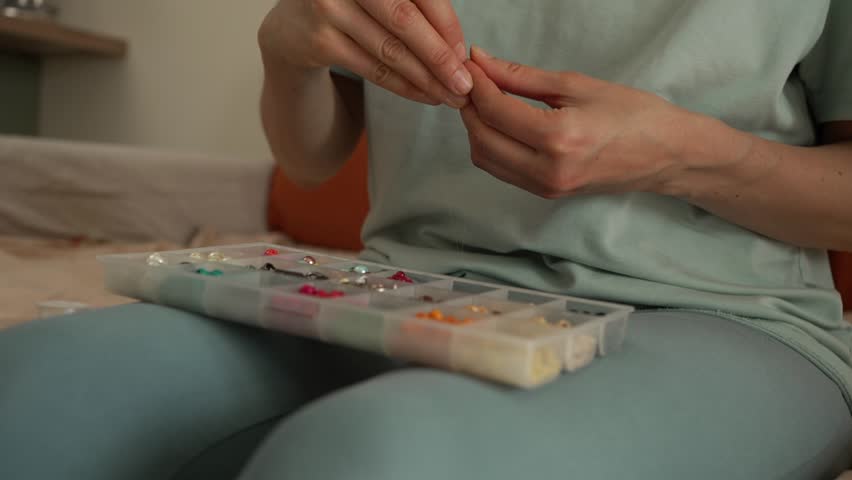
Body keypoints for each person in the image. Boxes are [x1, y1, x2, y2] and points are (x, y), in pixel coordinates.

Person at [1, 1, 851, 479]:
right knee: (25, 386)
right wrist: (286, 49)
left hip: (725, 318)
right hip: (403, 287)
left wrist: (680, 159)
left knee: (364, 462)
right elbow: (310, 158)